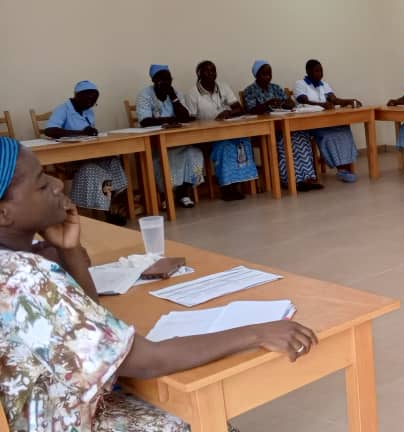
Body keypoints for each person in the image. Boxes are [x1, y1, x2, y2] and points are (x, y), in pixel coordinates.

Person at [0, 136, 319, 430]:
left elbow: (92, 327)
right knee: (196, 420)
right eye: (42, 184)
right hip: (63, 421)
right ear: (4, 213)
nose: (58, 185)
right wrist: (259, 331)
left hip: (39, 412)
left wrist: (70, 251)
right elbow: (146, 361)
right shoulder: (26, 278)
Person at [44, 81, 128, 225]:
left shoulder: (89, 111)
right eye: (88, 99)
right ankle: (108, 212)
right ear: (76, 96)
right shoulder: (63, 109)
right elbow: (50, 130)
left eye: (94, 101)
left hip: (88, 156)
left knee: (113, 161)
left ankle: (111, 201)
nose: (90, 104)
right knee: (95, 170)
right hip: (69, 160)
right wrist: (80, 133)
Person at [183, 60, 259, 201]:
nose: (211, 73)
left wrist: (228, 113)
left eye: (213, 70)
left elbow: (239, 108)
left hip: (227, 131)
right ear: (199, 74)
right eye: (207, 71)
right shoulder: (192, 93)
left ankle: (237, 183)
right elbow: (190, 120)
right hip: (206, 136)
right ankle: (226, 187)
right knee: (225, 147)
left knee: (243, 141)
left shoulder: (223, 87)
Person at [245, 60, 323, 191]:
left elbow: (291, 103)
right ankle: (292, 180)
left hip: (284, 125)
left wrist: (285, 104)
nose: (267, 77)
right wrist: (267, 103)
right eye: (264, 74)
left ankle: (307, 178)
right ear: (256, 75)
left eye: (269, 74)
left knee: (302, 136)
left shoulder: (276, 88)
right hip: (268, 130)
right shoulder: (250, 90)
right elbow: (250, 109)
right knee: (285, 142)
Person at [136, 64, 205, 208]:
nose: (166, 83)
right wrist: (170, 120)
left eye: (169, 79)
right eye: (162, 80)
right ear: (154, 80)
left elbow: (185, 117)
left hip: (179, 142)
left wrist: (173, 98)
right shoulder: (145, 95)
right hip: (157, 145)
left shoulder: (176, 94)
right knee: (162, 159)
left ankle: (183, 192)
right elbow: (145, 121)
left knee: (196, 154)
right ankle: (165, 193)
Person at [293, 59, 363, 183]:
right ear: (308, 71)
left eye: (321, 71)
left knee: (344, 129)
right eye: (316, 71)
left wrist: (350, 101)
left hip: (326, 121)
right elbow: (302, 100)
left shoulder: (323, 84)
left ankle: (345, 167)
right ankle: (341, 169)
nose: (320, 74)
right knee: (329, 136)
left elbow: (334, 100)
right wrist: (322, 105)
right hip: (310, 123)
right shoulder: (300, 84)